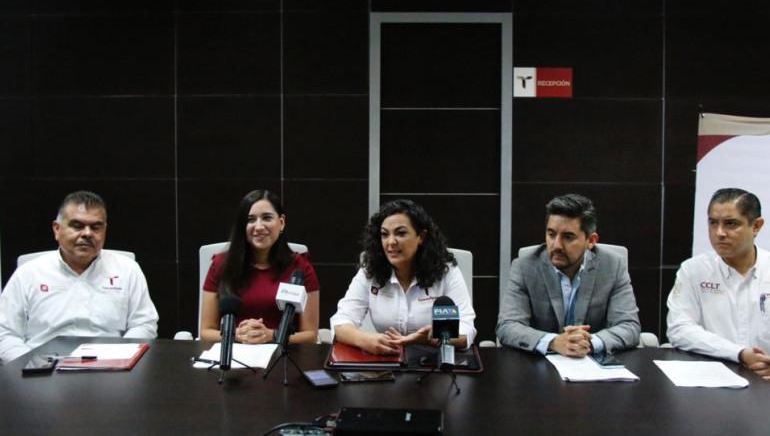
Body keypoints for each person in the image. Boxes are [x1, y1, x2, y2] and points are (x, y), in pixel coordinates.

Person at [0, 191, 158, 364]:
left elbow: (144, 323)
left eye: (96, 227)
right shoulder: (28, 273)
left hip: (111, 366)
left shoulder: (127, 270)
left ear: (105, 230)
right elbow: (5, 332)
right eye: (77, 226)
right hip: (41, 368)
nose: (87, 234)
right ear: (57, 229)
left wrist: (121, 357)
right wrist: (31, 363)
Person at [496, 193, 640, 357]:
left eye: (568, 237)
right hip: (540, 365)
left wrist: (589, 342)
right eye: (551, 234)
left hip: (592, 363)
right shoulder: (525, 267)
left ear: (591, 241)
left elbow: (629, 326)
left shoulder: (613, 266)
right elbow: (507, 326)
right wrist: (553, 342)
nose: (556, 245)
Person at [331, 199, 476, 354]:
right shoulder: (371, 270)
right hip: (387, 360)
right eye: (384, 234)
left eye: (400, 233)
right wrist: (365, 340)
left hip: (433, 362)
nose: (391, 242)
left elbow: (466, 330)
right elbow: (340, 321)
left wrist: (433, 337)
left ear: (421, 236)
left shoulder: (445, 271)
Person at [667, 188, 770, 380]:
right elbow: (679, 329)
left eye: (731, 224)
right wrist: (739, 354)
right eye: (713, 223)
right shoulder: (694, 270)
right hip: (711, 378)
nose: (719, 233)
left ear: (756, 226)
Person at [200, 190, 319, 344]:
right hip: (233, 353)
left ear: (281, 222)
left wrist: (271, 335)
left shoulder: (300, 268)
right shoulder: (221, 265)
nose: (259, 227)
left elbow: (310, 335)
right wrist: (237, 335)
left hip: (282, 354)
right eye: (250, 220)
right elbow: (206, 331)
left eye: (267, 218)